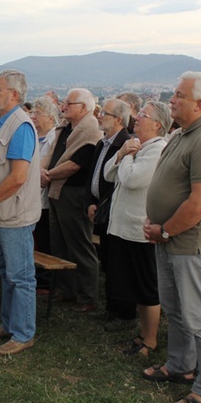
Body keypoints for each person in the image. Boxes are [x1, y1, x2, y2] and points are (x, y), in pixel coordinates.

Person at [142, 71, 201, 403]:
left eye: (179, 95)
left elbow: (200, 203)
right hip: (169, 239)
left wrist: (165, 230)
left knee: (200, 316)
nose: (172, 100)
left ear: (200, 104)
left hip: (190, 242)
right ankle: (181, 365)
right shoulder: (184, 133)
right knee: (176, 309)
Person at [0, 70, 40, 355]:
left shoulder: (20, 126)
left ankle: (23, 333)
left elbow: (18, 177)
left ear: (14, 94)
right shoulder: (0, 122)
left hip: (13, 215)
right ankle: (8, 323)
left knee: (20, 276)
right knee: (4, 271)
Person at [104, 101, 171, 357]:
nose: (137, 118)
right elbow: (109, 174)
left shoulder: (156, 150)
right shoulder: (136, 145)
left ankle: (151, 340)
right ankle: (143, 333)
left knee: (146, 286)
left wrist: (127, 155)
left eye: (144, 116)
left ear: (158, 124)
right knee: (135, 286)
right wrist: (121, 155)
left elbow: (132, 180)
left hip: (139, 229)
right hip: (123, 227)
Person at [42, 88, 102, 312]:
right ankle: (64, 289)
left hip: (75, 193)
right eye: (64, 102)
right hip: (58, 190)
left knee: (79, 244)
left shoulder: (91, 131)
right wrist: (43, 171)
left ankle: (87, 297)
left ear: (84, 108)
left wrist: (47, 175)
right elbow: (51, 155)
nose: (63, 106)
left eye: (69, 103)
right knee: (59, 243)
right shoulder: (65, 128)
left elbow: (76, 164)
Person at [86, 97, 132, 327]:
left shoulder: (126, 144)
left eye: (105, 113)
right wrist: (90, 201)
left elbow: (120, 180)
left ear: (119, 119)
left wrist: (101, 202)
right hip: (100, 207)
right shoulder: (102, 143)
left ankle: (123, 312)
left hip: (114, 210)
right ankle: (111, 308)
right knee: (108, 260)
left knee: (117, 262)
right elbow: (94, 175)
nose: (100, 116)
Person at [29, 96, 59, 290]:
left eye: (38, 113)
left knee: (44, 240)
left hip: (44, 198)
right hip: (30, 197)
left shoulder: (54, 138)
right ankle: (36, 274)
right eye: (32, 113)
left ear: (50, 117)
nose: (33, 117)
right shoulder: (33, 135)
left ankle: (46, 280)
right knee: (35, 240)